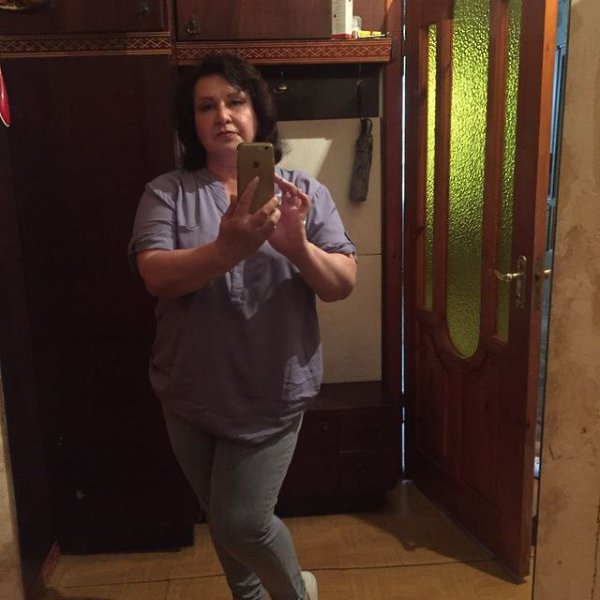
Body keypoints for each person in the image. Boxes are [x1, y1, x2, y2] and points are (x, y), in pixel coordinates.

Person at [129, 53, 357, 600]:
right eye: (206, 106)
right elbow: (155, 275)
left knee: (242, 523)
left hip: (271, 393)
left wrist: (298, 247)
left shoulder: (301, 192)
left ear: (257, 112)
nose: (223, 115)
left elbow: (341, 283)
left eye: (235, 101)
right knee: (222, 518)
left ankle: (297, 592)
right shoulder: (167, 193)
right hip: (189, 393)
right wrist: (225, 250)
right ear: (192, 122)